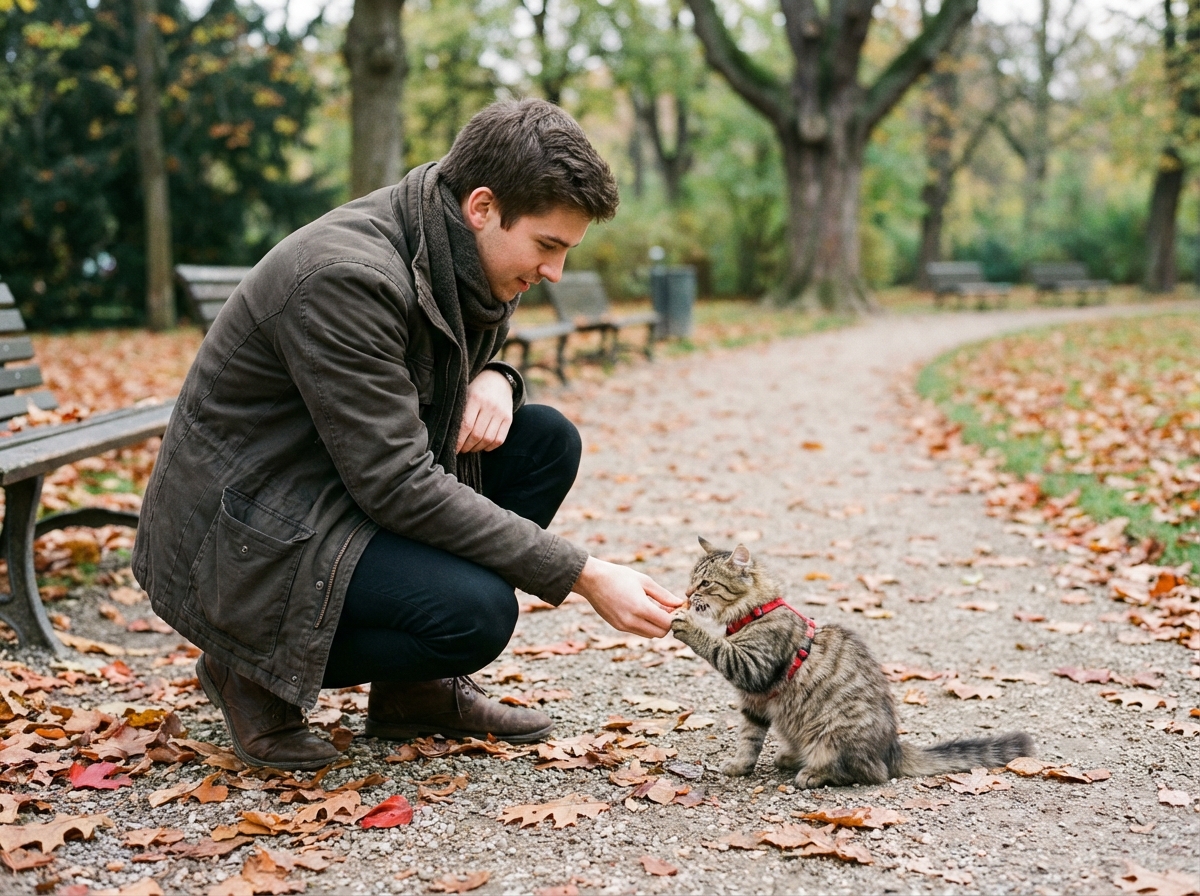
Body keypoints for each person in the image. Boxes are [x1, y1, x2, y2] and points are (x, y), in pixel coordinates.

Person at [132, 99, 682, 771]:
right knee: (474, 615)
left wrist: (497, 380)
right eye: (547, 246)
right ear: (482, 206)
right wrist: (583, 575)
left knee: (543, 439)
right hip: (251, 530)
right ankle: (247, 670)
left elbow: (432, 377)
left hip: (333, 487)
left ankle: (413, 693)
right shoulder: (347, 278)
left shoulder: (459, 252)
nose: (554, 273)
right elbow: (397, 484)